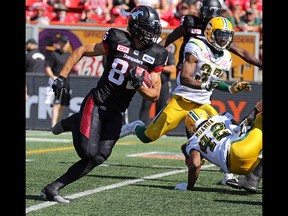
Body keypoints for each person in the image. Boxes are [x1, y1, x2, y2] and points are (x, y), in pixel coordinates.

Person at [40, 5, 168, 203]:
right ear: (135, 28)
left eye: (154, 29)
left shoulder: (157, 54)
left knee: (100, 156)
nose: (152, 34)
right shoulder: (117, 39)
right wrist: (62, 76)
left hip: (117, 111)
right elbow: (83, 49)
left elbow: (154, 94)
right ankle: (75, 121)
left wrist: (139, 85)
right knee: (87, 152)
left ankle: (53, 187)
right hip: (98, 103)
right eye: (148, 29)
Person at [119, 16, 252, 188]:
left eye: (227, 37)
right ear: (211, 33)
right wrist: (206, 84)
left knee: (223, 136)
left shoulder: (226, 56)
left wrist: (230, 88)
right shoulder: (196, 46)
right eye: (221, 36)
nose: (224, 40)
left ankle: (229, 175)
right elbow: (186, 78)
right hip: (182, 100)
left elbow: (214, 80)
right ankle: (134, 126)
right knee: (148, 137)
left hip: (204, 104)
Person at [158, 0, 262, 186]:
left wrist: (260, 64)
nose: (212, 14)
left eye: (216, 11)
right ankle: (192, 150)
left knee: (217, 125)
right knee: (160, 133)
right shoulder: (191, 23)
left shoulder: (219, 31)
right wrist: (152, 53)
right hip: (189, 77)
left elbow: (241, 52)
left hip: (206, 77)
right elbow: (170, 39)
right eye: (210, 11)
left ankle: (225, 172)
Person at [174, 99, 262, 192]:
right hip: (239, 149)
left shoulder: (192, 142)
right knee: (260, 118)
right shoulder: (221, 116)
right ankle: (252, 178)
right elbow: (238, 129)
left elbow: (196, 164)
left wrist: (189, 187)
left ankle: (251, 179)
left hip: (235, 168)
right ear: (206, 116)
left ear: (191, 127)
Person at [139, 43, 176, 125]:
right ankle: (141, 125)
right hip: (150, 83)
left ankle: (157, 128)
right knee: (146, 106)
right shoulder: (150, 54)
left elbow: (172, 68)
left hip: (163, 83)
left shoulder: (167, 54)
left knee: (161, 107)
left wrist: (159, 67)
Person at [45, 35, 74, 129]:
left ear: (68, 44)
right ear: (59, 43)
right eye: (62, 43)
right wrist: (53, 77)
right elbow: (48, 67)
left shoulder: (69, 55)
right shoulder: (54, 54)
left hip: (66, 82)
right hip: (57, 81)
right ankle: (53, 125)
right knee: (56, 103)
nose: (63, 45)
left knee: (63, 105)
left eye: (65, 43)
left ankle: (57, 124)